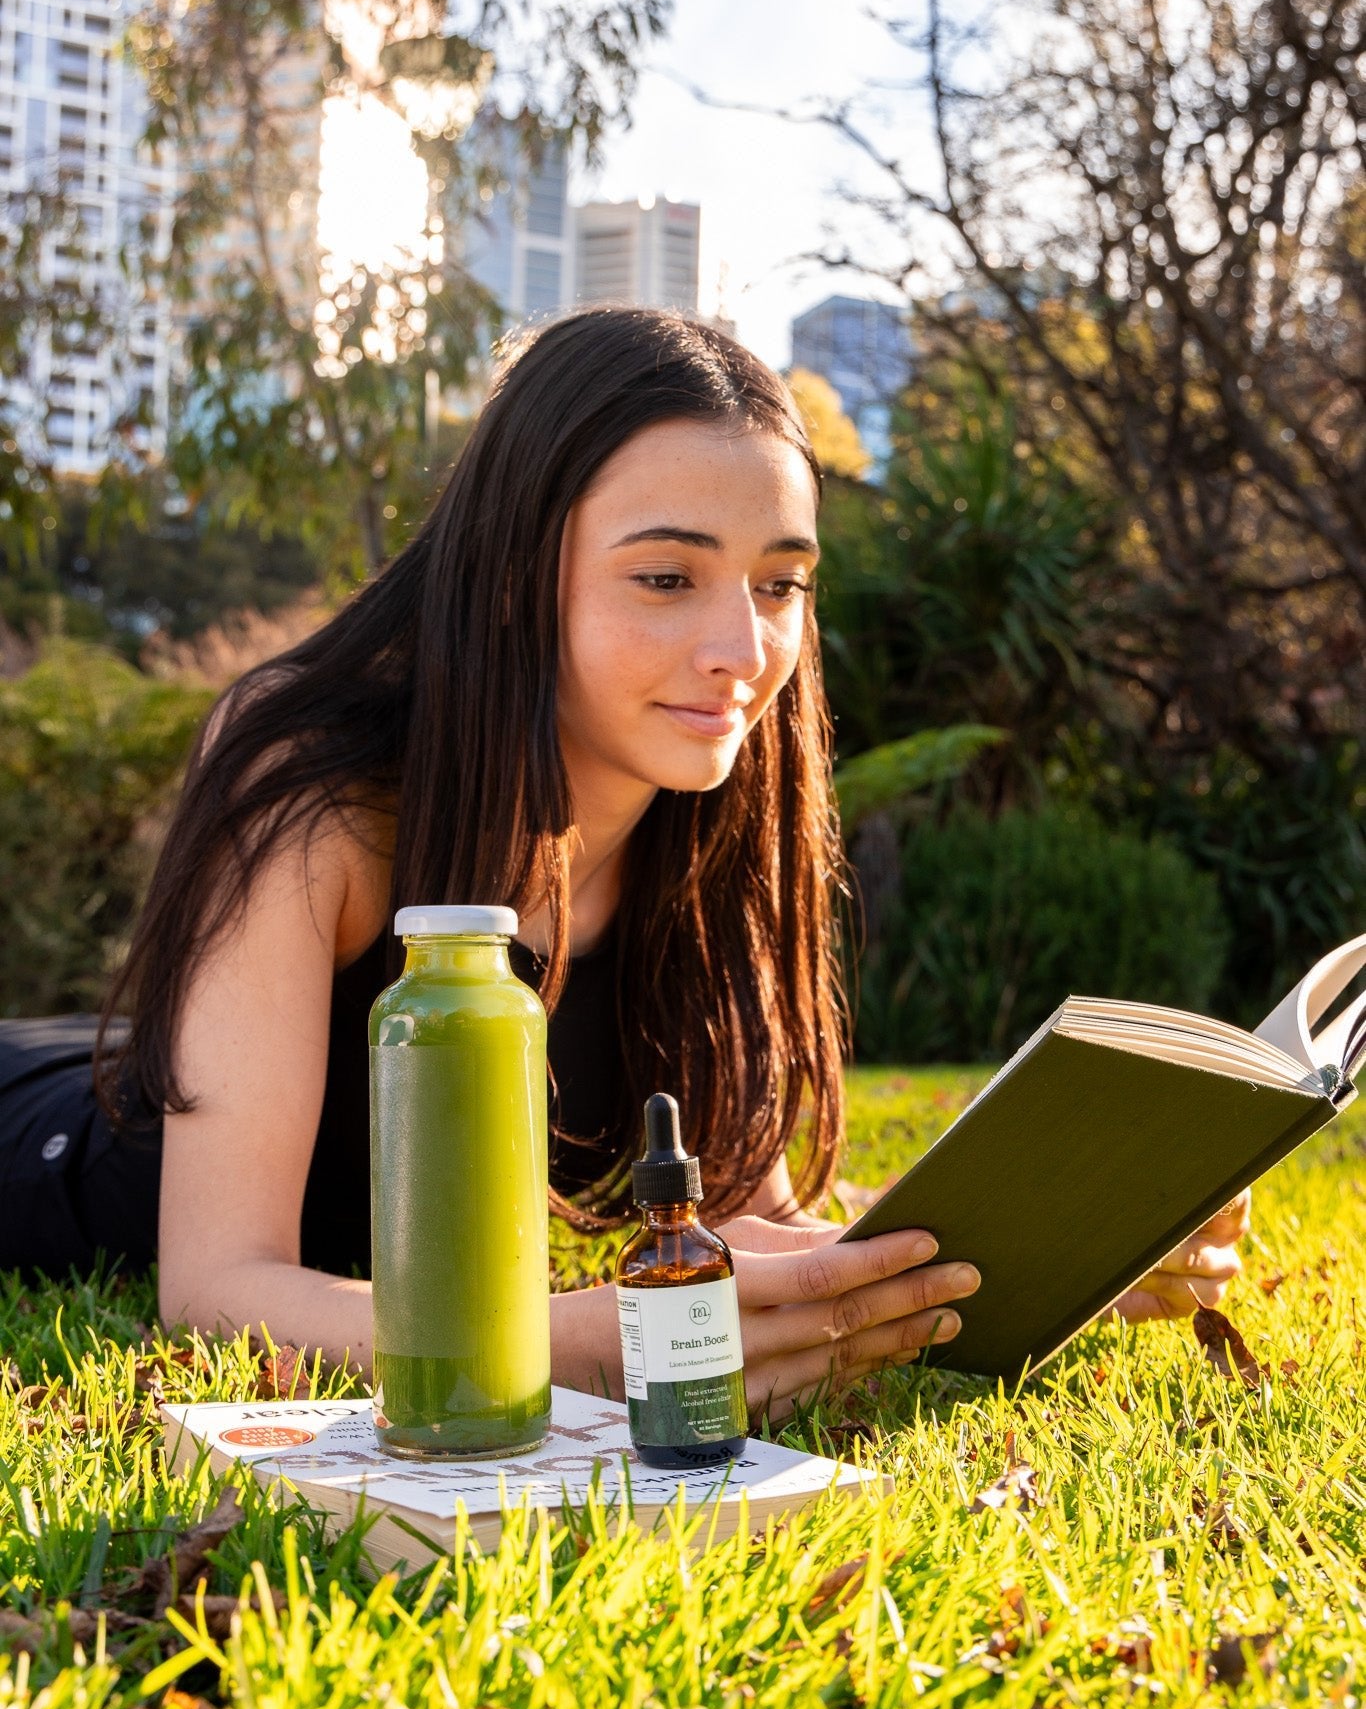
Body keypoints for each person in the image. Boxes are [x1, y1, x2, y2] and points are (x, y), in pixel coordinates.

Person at [0, 309, 1245, 1418]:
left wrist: (1071, 1231)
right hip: (51, 1138)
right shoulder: (320, 790)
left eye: (779, 584)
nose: (741, 648)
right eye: (665, 576)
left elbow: (743, 1216)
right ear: (511, 576)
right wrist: (586, 1340)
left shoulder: (704, 812)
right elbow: (216, 1290)